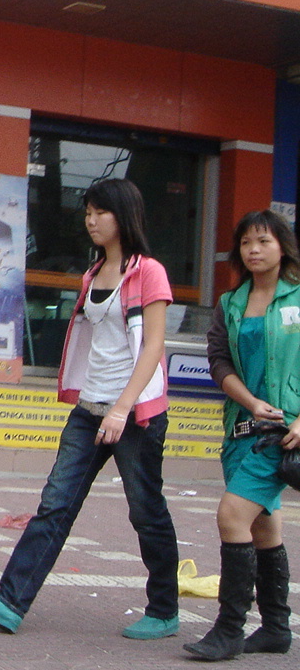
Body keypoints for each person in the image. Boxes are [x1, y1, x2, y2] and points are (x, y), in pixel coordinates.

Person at [0, 178, 179, 640]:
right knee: (55, 504)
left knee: (145, 511)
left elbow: (154, 346)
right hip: (90, 409)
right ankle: (9, 601)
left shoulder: (149, 272)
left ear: (124, 215)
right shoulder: (92, 274)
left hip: (134, 414)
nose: (91, 221)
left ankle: (164, 610)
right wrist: (94, 402)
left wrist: (121, 409)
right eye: (88, 213)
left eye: (100, 212)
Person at [184, 209, 300, 661]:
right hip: (240, 428)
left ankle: (229, 629)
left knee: (232, 515)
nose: (254, 250)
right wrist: (250, 402)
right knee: (263, 526)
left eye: (263, 241)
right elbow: (219, 362)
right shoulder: (231, 303)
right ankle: (275, 628)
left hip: (282, 433)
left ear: (283, 247)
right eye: (246, 243)